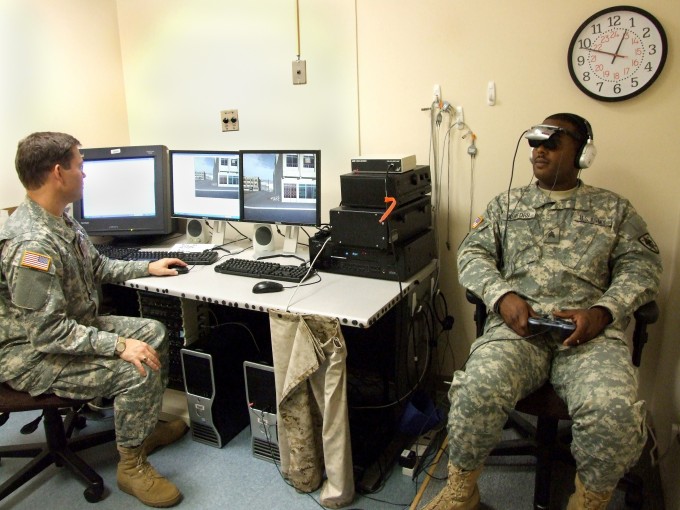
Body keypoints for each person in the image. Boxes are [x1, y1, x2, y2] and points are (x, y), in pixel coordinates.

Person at [424, 113, 662, 510]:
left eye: (553, 142)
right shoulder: (506, 205)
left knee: (613, 409)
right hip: (519, 331)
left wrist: (603, 312)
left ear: (582, 154)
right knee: (475, 387)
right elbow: (472, 254)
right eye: (535, 142)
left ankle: (589, 501)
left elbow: (642, 269)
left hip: (587, 336)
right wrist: (502, 296)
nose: (539, 150)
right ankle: (461, 491)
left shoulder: (614, 209)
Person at [0, 132, 190, 507]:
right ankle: (131, 467)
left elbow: (98, 266)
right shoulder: (31, 245)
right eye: (80, 166)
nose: (85, 175)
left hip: (71, 329)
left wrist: (147, 267)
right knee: (136, 368)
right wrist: (119, 346)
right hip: (30, 355)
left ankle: (140, 430)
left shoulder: (60, 220)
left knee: (152, 331)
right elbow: (47, 334)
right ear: (58, 173)